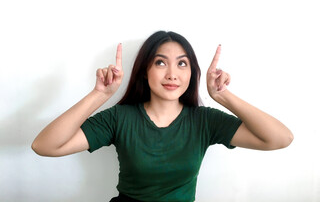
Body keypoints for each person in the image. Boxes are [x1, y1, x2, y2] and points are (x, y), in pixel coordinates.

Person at [32, 31, 294, 202]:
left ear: (192, 73)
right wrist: (100, 95)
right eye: (160, 62)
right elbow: (44, 145)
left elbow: (280, 138)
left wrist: (223, 96)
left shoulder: (205, 120)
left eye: (182, 63)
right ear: (145, 71)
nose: (172, 74)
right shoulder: (119, 118)